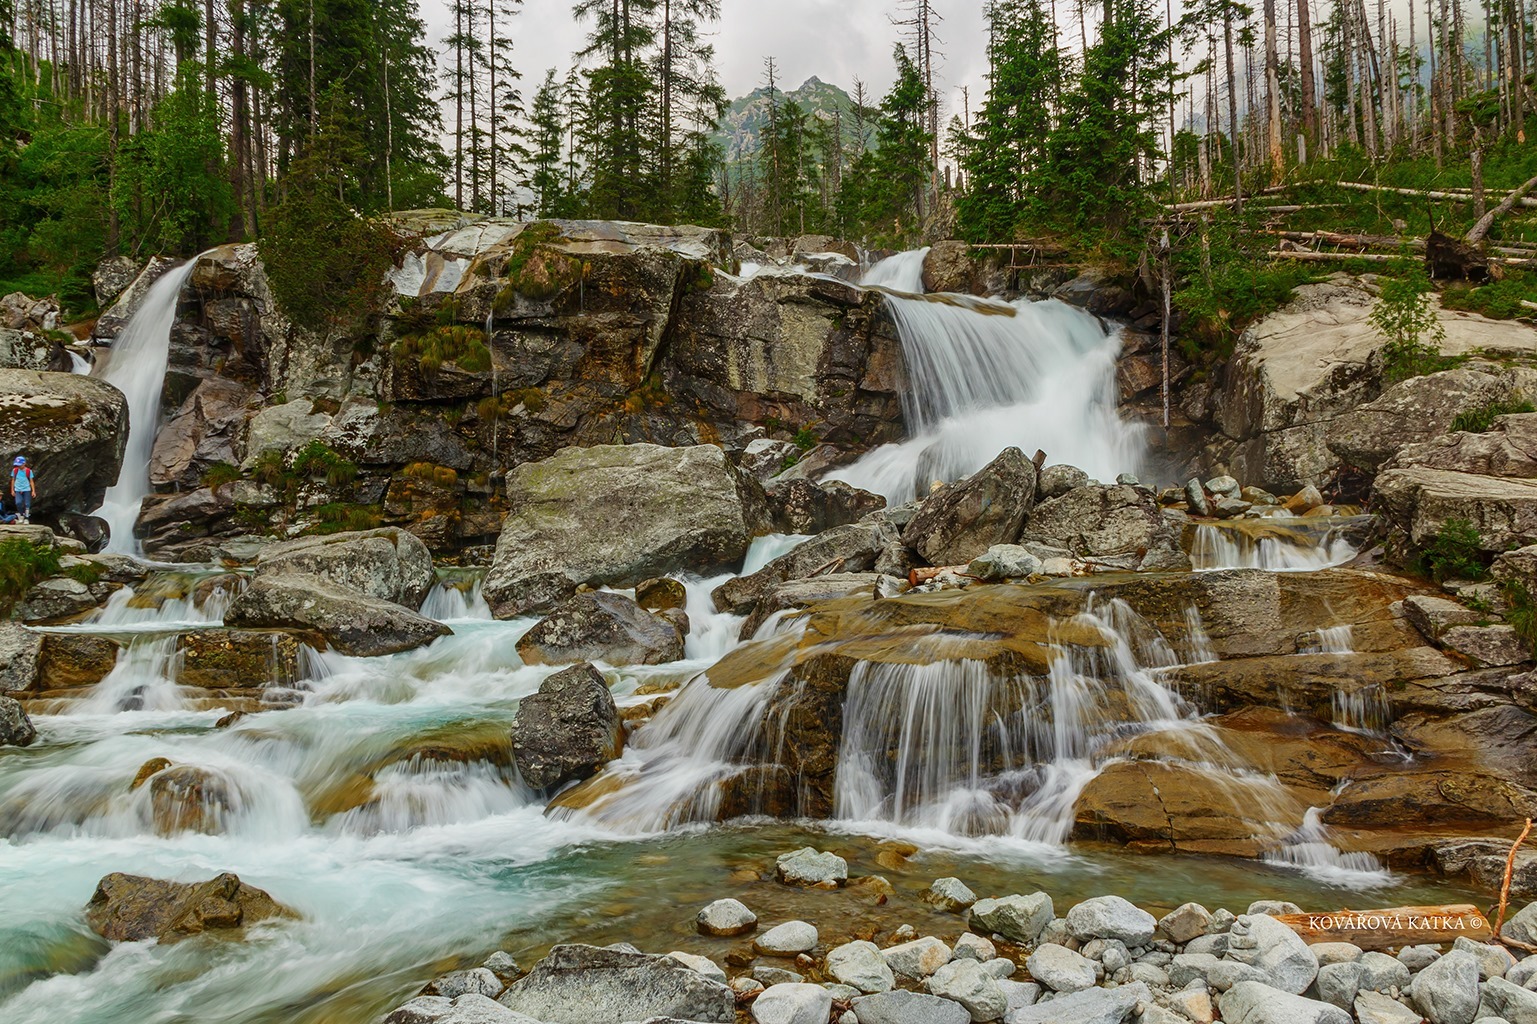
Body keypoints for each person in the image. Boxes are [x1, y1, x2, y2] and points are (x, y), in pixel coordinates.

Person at [11, 457, 35, 523]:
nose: (18, 466)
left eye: (20, 464)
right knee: (18, 503)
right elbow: (13, 480)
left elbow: (31, 481)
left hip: (26, 489)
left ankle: (26, 517)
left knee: (27, 504)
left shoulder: (28, 471)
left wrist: (33, 491)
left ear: (24, 463)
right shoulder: (15, 470)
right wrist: (12, 490)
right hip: (18, 489)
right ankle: (21, 515)